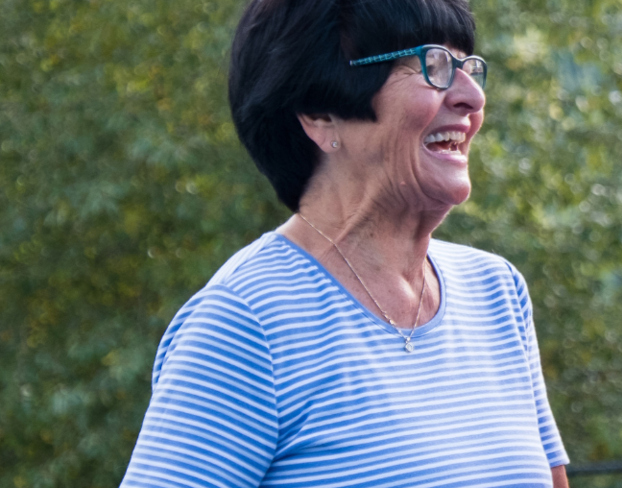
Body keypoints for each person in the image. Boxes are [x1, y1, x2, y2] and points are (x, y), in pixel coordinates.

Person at [120, 0, 570, 485]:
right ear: (320, 114)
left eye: (468, 68)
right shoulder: (245, 323)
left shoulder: (496, 291)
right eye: (434, 65)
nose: (472, 97)